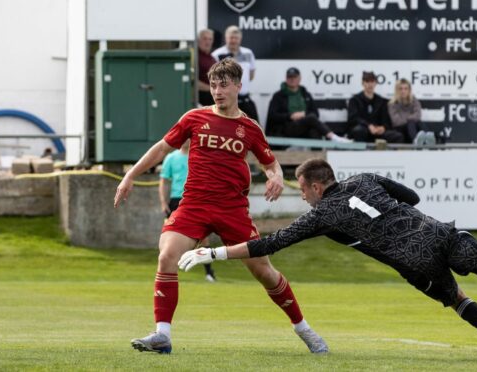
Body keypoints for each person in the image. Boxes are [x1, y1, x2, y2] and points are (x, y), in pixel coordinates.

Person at [180, 158, 477, 360]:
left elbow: (270, 244)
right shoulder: (364, 178)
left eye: (304, 191)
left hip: (412, 261)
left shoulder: (321, 215)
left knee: (457, 299)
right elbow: (411, 196)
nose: (305, 198)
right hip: (436, 231)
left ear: (315, 186)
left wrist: (213, 251)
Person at [114, 59, 328, 355]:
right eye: (213, 84)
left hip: (232, 210)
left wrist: (276, 178)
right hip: (194, 205)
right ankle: (162, 335)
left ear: (238, 86)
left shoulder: (249, 128)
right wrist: (130, 175)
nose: (217, 90)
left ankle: (304, 329)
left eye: (224, 85)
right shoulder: (194, 118)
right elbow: (162, 148)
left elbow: (271, 164)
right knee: (167, 256)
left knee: (264, 272)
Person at [159, 139, 217, 282]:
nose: (185, 140)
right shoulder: (171, 158)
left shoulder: (200, 156)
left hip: (196, 199)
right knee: (168, 236)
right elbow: (164, 180)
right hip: (176, 200)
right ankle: (168, 270)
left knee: (203, 238)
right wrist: (163, 201)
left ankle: (209, 273)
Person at [265, 67, 351, 143]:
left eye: (294, 77)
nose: (292, 79)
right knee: (311, 118)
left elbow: (316, 113)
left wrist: (303, 115)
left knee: (314, 131)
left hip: (303, 126)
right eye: (289, 77)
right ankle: (333, 137)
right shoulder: (278, 96)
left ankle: (318, 159)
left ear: (299, 78)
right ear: (286, 79)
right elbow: (272, 115)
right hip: (286, 127)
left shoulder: (305, 94)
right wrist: (290, 116)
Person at [211, 25, 259, 122]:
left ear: (240, 39)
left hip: (245, 99)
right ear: (226, 38)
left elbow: (251, 74)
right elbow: (213, 77)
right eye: (231, 38)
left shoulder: (248, 53)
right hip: (226, 101)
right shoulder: (217, 54)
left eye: (236, 38)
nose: (233, 40)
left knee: (254, 126)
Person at [348, 72, 404, 143]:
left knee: (397, 136)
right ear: (363, 83)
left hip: (377, 132)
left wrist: (383, 128)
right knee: (359, 131)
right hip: (363, 130)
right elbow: (353, 118)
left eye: (372, 82)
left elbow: (386, 121)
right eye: (367, 82)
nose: (370, 84)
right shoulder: (355, 100)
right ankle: (361, 154)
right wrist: (368, 126)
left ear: (375, 83)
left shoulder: (381, 101)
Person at [387, 79, 430, 144]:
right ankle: (416, 141)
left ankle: (428, 139)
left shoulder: (414, 100)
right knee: (411, 123)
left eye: (405, 89)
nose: (403, 91)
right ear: (397, 90)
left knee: (419, 123)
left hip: (413, 127)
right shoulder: (392, 103)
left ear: (409, 90)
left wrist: (408, 119)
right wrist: (410, 119)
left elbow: (418, 115)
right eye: (400, 89)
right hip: (400, 129)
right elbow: (396, 121)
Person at [196, 29, 216, 106]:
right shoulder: (195, 57)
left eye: (210, 39)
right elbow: (193, 82)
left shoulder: (212, 58)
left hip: (213, 98)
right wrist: (212, 88)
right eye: (205, 38)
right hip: (201, 100)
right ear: (198, 40)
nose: (207, 42)